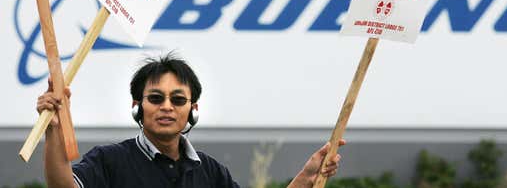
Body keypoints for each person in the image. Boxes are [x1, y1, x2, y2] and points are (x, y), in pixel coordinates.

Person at [38, 54, 344, 188]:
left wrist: (307, 176)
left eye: (178, 99)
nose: (166, 107)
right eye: (155, 98)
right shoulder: (109, 160)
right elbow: (62, 186)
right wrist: (53, 130)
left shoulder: (210, 172)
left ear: (192, 108)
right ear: (138, 106)